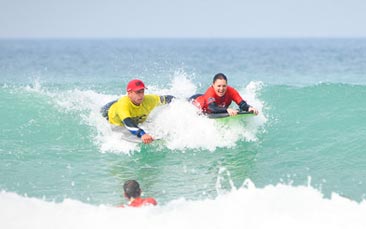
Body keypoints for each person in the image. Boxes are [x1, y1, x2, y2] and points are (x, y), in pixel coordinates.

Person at [101, 79, 174, 144]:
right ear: (129, 93)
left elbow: (167, 98)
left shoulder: (149, 100)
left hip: (131, 116)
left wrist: (182, 101)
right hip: (110, 115)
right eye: (138, 92)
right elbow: (128, 123)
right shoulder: (123, 105)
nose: (141, 95)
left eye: (142, 92)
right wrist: (142, 134)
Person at [189, 73, 259, 116]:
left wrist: (249, 108)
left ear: (227, 85)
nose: (221, 89)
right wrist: (227, 110)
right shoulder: (210, 92)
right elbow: (212, 108)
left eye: (224, 86)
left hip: (207, 101)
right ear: (213, 85)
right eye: (219, 86)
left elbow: (241, 103)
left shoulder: (231, 91)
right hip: (195, 102)